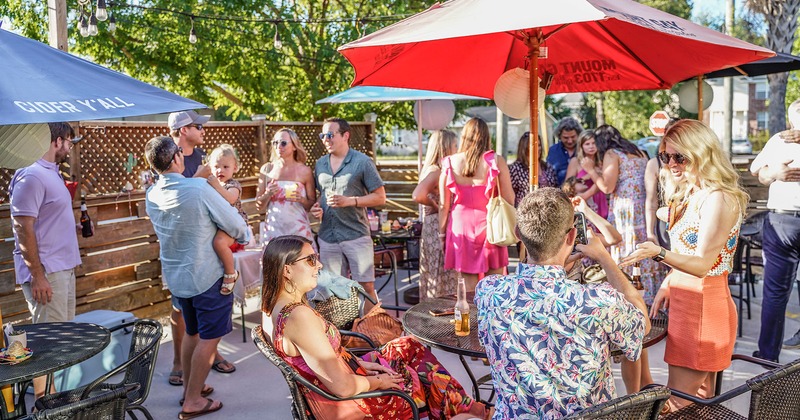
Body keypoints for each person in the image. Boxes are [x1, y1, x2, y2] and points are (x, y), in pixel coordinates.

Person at [259, 235, 488, 420]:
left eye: (316, 258)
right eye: (310, 260)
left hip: (341, 381)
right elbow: (343, 387)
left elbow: (322, 360)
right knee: (425, 378)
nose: (319, 265)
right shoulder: (299, 317)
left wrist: (360, 364)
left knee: (408, 346)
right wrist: (380, 382)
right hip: (352, 405)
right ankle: (472, 413)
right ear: (287, 270)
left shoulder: (271, 308)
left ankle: (467, 410)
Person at [476, 188, 648, 419]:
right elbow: (643, 324)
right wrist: (605, 259)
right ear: (571, 236)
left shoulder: (489, 292)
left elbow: (532, 290)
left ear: (518, 233)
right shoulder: (598, 301)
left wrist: (554, 264)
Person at [620, 119, 748, 411]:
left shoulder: (718, 198)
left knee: (677, 404)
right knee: (695, 405)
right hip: (688, 303)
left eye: (680, 157)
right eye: (666, 157)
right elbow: (687, 249)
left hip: (703, 306)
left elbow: (703, 264)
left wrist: (659, 253)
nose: (671, 164)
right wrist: (669, 281)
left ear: (702, 152)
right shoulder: (693, 194)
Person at [144, 136, 250, 419]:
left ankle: (191, 388)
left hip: (179, 279)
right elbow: (236, 224)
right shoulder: (198, 188)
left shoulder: (151, 194)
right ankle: (192, 401)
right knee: (210, 338)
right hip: (207, 276)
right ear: (177, 158)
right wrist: (241, 235)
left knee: (192, 333)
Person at [581, 124, 664, 394]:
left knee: (624, 265)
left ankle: (631, 306)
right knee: (641, 265)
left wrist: (590, 169)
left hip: (626, 213)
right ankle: (645, 307)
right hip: (642, 212)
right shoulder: (638, 151)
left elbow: (607, 187)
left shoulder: (611, 154)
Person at [9, 122, 83, 398]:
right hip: (47, 274)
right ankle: (44, 402)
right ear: (58, 141)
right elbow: (22, 227)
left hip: (62, 270)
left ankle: (54, 399)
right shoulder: (31, 175)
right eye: (69, 142)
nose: (70, 148)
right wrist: (37, 275)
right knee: (46, 343)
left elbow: (44, 221)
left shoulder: (51, 172)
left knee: (60, 341)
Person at [165, 112, 236, 386]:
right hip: (182, 249)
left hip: (208, 248)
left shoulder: (204, 157)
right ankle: (177, 363)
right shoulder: (167, 159)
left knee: (205, 312)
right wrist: (199, 176)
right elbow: (175, 199)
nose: (203, 129)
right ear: (183, 130)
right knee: (180, 310)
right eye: (198, 126)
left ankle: (211, 355)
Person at [310, 118, 386, 309]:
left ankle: (372, 324)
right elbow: (321, 195)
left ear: (345, 136)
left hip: (356, 235)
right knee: (332, 288)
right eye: (323, 135)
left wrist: (350, 201)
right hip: (328, 237)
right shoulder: (320, 164)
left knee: (365, 286)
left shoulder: (362, 162)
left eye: (330, 135)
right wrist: (316, 208)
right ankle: (343, 327)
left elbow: (380, 197)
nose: (325, 139)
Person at [439, 117, 513, 293]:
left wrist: (441, 234)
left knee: (468, 288)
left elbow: (443, 205)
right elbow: (509, 198)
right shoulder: (496, 160)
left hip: (461, 226)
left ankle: (471, 311)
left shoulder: (450, 162)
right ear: (487, 136)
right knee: (494, 286)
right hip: (491, 224)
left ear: (464, 136)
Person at [751, 99, 800, 362]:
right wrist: (775, 173)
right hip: (782, 220)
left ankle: (768, 356)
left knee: (775, 292)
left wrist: (772, 173)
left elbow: (758, 173)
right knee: (775, 292)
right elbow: (760, 173)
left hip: (782, 222)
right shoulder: (780, 141)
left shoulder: (781, 140)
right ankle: (768, 354)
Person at [412, 130, 459, 300]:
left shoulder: (431, 169)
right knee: (440, 271)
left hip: (431, 226)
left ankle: (430, 307)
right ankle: (439, 307)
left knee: (433, 271)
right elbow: (417, 195)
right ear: (445, 147)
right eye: (455, 145)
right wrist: (435, 205)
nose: (457, 149)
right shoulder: (437, 171)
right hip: (436, 226)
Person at [255, 128, 316, 245]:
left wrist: (302, 199)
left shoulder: (305, 171)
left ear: (294, 146)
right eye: (275, 143)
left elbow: (311, 204)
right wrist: (268, 194)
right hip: (274, 229)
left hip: (298, 229)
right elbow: (259, 206)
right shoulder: (267, 169)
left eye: (283, 143)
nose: (278, 146)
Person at [206, 144, 249, 295]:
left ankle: (231, 273)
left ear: (235, 168)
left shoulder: (233, 185)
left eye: (225, 167)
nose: (220, 170)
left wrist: (216, 186)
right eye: (216, 166)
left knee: (219, 242)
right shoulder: (211, 185)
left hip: (233, 224)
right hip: (219, 222)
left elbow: (231, 199)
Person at [508, 131, 558, 207]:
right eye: (534, 145)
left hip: (547, 209)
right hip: (525, 209)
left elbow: (556, 188)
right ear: (525, 147)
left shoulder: (547, 167)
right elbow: (510, 193)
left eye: (539, 145)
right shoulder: (516, 169)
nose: (538, 148)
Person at [565, 130, 608, 219]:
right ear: (581, 146)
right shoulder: (575, 161)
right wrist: (586, 177)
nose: (591, 146)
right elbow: (567, 186)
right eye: (587, 144)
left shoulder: (602, 162)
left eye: (594, 143)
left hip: (600, 200)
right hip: (584, 201)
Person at [546, 117, 583, 185]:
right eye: (566, 138)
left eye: (573, 137)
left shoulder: (585, 149)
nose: (570, 141)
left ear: (578, 135)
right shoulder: (553, 151)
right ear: (559, 136)